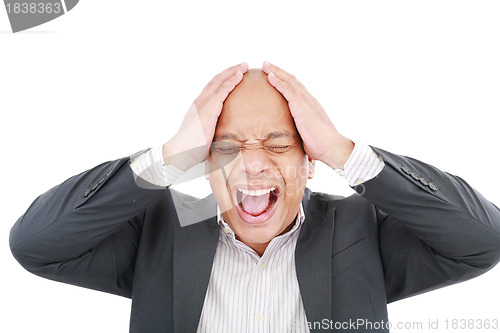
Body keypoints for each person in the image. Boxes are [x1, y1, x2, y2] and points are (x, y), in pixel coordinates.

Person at [10, 62, 500, 333]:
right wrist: (170, 156)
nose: (251, 164)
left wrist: (341, 150)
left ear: (309, 161)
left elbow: (482, 239)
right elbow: (36, 243)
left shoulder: (358, 228)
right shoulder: (163, 227)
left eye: (279, 143)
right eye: (226, 148)